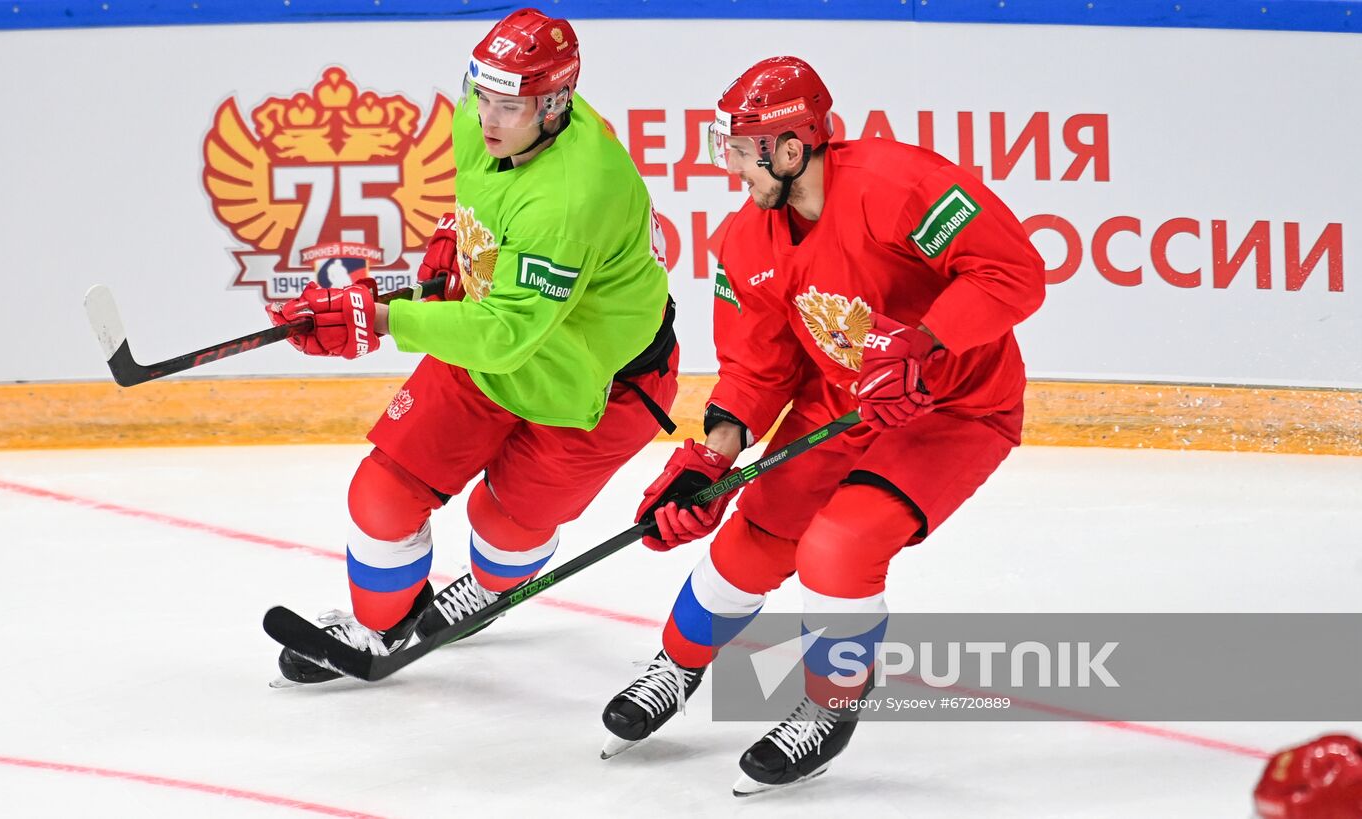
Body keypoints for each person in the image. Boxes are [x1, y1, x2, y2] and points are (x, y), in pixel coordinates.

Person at [601, 56, 1046, 794]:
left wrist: (924, 344)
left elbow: (1012, 271)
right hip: (844, 405)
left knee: (838, 547)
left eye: (741, 151)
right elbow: (757, 368)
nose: (731, 167)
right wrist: (711, 458)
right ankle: (676, 665)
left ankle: (829, 706)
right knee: (751, 539)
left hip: (955, 409)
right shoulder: (746, 243)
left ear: (791, 144)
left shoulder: (898, 185)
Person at [266, 8, 678, 684]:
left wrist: (384, 319)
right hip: (495, 348)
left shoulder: (574, 195)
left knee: (502, 526)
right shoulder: (484, 120)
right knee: (381, 494)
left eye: (508, 106)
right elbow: (485, 204)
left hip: (596, 387)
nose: (487, 118)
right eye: (480, 93)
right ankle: (380, 623)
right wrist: (450, 242)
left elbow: (506, 333)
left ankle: (487, 588)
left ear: (555, 104)